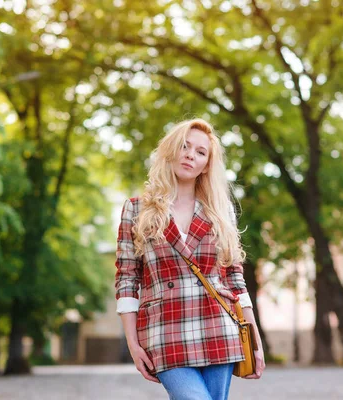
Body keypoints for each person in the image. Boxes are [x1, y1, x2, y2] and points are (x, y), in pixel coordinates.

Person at [114, 118, 266, 400]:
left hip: (217, 328)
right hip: (165, 331)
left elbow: (234, 278)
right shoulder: (136, 210)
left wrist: (254, 338)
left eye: (200, 152)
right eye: (184, 146)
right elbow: (126, 279)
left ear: (207, 164)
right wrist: (133, 343)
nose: (190, 155)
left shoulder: (220, 212)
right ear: (171, 150)